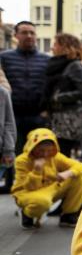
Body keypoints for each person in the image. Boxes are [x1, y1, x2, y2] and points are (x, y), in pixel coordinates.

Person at [0, 21, 48, 191]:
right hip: (13, 114)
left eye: (32, 33)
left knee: (38, 152)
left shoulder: (46, 60)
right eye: (25, 32)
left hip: (38, 116)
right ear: (16, 35)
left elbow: (50, 87)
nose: (29, 36)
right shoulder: (4, 58)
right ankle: (14, 184)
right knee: (13, 150)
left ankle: (36, 185)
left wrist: (46, 110)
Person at [11, 128, 82, 229]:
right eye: (41, 150)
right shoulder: (22, 161)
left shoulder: (54, 156)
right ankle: (26, 213)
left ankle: (68, 215)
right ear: (32, 147)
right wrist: (37, 171)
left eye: (49, 150)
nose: (45, 154)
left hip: (50, 189)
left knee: (80, 178)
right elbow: (30, 187)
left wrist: (67, 173)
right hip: (27, 193)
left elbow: (81, 166)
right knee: (42, 202)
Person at [41, 33, 82, 157]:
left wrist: (58, 98)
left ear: (65, 47)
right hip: (57, 118)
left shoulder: (74, 66)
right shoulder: (57, 65)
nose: (52, 48)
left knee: (62, 156)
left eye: (55, 45)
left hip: (68, 120)